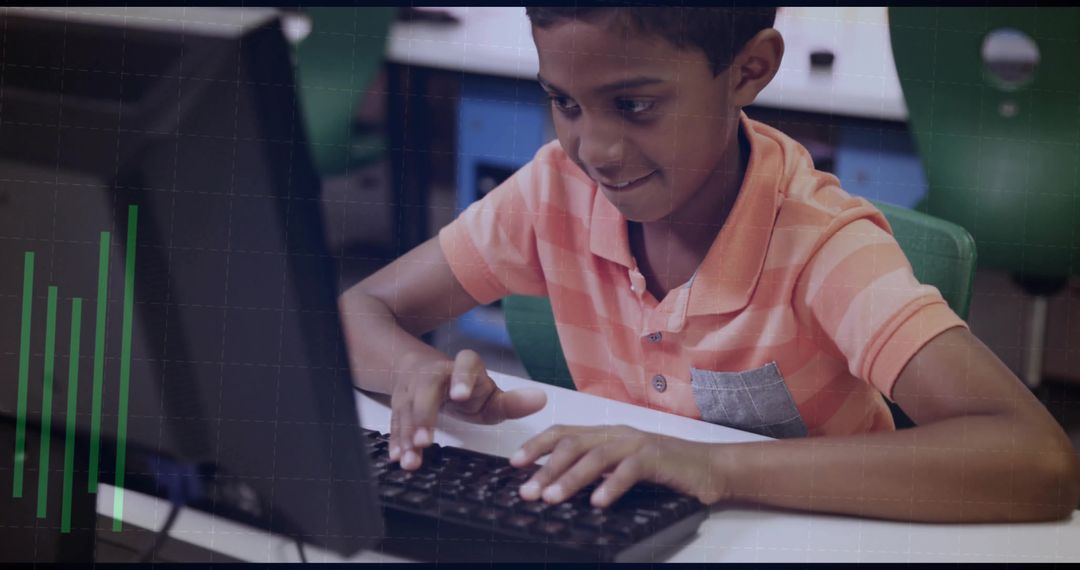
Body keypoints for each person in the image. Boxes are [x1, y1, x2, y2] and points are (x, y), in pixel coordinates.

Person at [340, 6, 1080, 522]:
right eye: (564, 102)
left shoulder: (820, 244)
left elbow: (1038, 462)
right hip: (639, 530)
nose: (592, 149)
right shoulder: (552, 194)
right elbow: (355, 312)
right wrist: (411, 371)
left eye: (632, 105)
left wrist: (715, 468)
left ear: (748, 70)